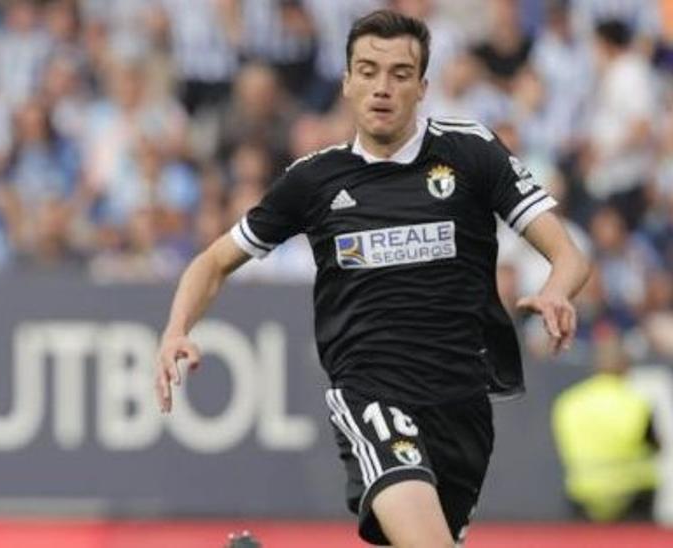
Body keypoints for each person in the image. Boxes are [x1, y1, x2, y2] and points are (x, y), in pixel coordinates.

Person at [155, 10, 590, 547]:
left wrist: (556, 290)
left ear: (423, 87)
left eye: (400, 74)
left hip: (462, 406)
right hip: (372, 394)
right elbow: (213, 261)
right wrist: (177, 328)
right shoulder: (314, 180)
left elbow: (567, 252)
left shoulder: (471, 152)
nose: (382, 87)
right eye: (367, 70)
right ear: (346, 82)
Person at [553, 324, 660, 522]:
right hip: (632, 493)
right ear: (625, 366)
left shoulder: (569, 401)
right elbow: (654, 445)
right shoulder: (636, 402)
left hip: (584, 492)